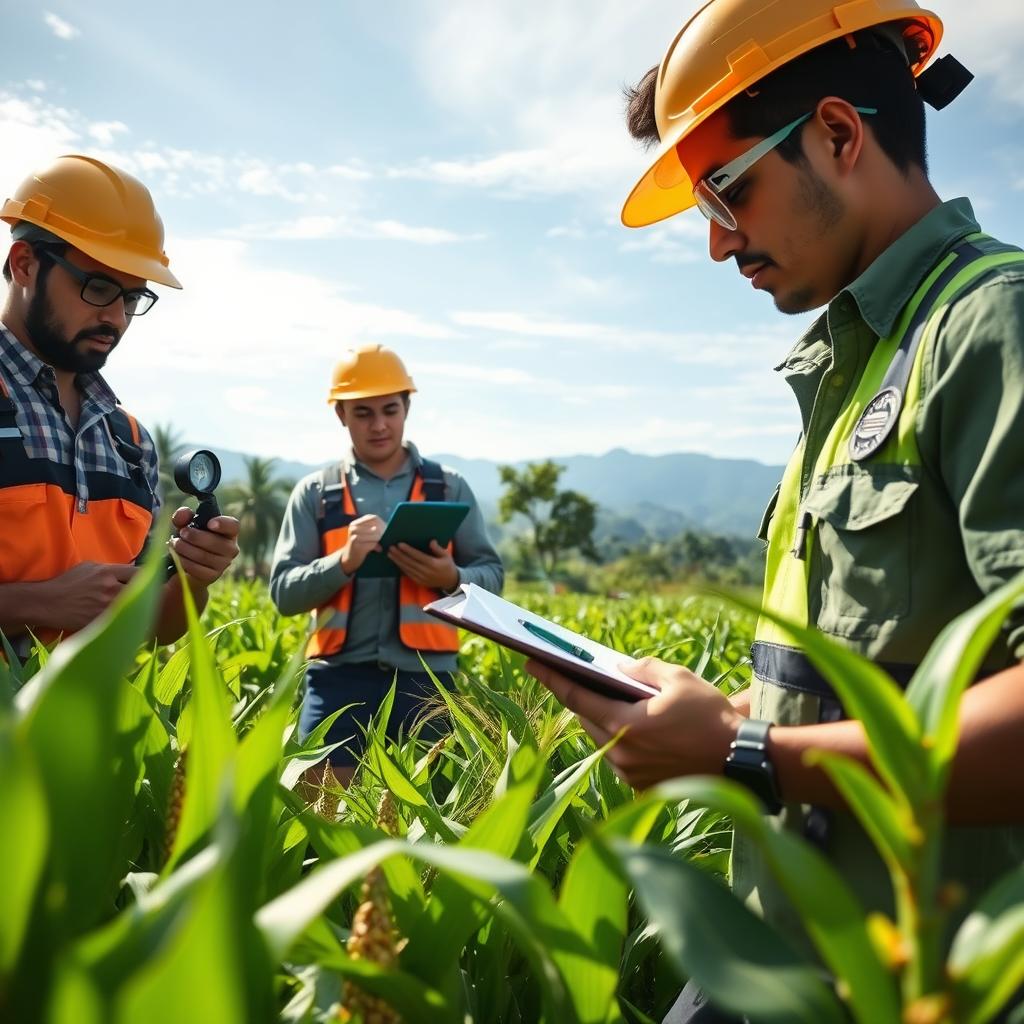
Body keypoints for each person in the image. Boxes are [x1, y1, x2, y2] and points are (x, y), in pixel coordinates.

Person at [526, 2, 1024, 1020]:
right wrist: (724, 718)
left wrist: (745, 755)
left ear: (839, 134)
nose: (717, 244)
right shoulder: (856, 364)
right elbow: (890, 683)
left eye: (728, 190)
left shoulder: (990, 325)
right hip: (785, 942)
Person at [0, 155, 240, 651]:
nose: (116, 316)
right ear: (24, 264)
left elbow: (153, 628)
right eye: (99, 286)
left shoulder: (129, 442)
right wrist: (35, 604)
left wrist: (194, 577)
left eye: (132, 297)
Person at [270, 343, 503, 784]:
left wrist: (451, 578)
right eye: (362, 413)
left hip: (428, 683)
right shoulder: (315, 493)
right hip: (337, 681)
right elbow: (283, 594)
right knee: (322, 818)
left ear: (406, 408)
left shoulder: (449, 488)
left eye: (389, 410)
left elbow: (492, 579)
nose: (379, 425)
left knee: (430, 819)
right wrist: (342, 561)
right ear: (341, 415)